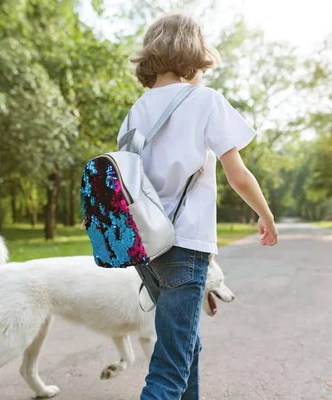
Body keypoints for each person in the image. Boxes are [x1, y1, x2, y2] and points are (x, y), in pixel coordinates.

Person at [118, 13, 279, 400]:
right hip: (185, 245)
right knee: (169, 369)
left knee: (186, 345)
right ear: (194, 53)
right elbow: (237, 174)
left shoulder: (136, 110)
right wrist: (266, 215)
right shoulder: (205, 100)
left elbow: (129, 181)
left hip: (145, 246)